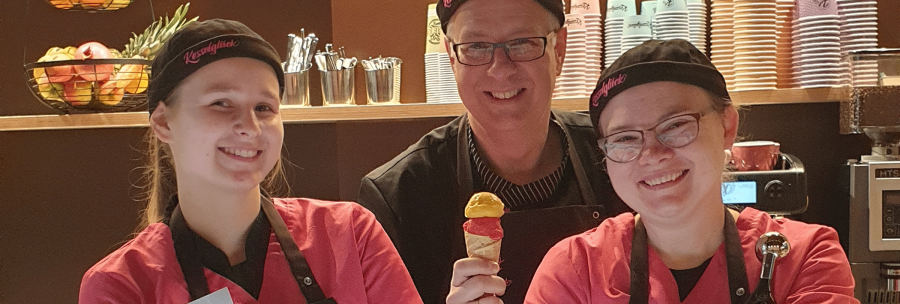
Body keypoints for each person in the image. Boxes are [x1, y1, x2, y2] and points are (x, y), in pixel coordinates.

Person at [79, 19, 422, 304]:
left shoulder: (351, 234)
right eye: (221, 103)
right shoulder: (121, 284)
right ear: (163, 123)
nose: (249, 127)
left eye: (264, 108)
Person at [523, 39, 858, 303]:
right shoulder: (574, 269)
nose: (653, 154)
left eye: (676, 125)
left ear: (727, 125)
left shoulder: (802, 257)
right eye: (625, 138)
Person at [357, 0, 629, 303]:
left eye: (522, 43)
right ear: (451, 56)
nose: (500, 69)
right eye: (476, 46)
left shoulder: (624, 160)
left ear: (559, 49)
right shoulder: (399, 196)